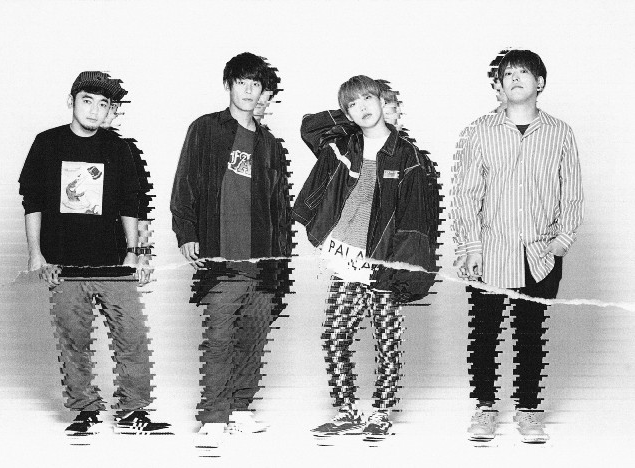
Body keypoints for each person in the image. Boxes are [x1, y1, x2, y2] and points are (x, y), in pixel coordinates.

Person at [18, 71, 169, 435]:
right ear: (72, 101)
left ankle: (132, 413)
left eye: (104, 104)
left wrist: (139, 252)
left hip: (113, 262)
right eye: (87, 101)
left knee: (132, 336)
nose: (95, 110)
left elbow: (134, 203)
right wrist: (35, 253)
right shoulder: (47, 143)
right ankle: (85, 411)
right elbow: (32, 201)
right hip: (63, 262)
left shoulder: (119, 148)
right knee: (74, 340)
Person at [294, 75, 440, 437]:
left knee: (387, 340)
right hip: (346, 257)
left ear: (382, 101)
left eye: (368, 99)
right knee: (334, 337)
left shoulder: (407, 155)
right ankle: (346, 412)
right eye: (353, 104)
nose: (362, 107)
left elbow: (415, 217)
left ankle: (381, 413)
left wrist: (405, 268)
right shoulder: (344, 145)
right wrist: (351, 118)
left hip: (384, 261)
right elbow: (310, 128)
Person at [452, 49, 584, 443]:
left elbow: (572, 192)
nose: (514, 78)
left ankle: (529, 412)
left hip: (540, 254)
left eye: (524, 72)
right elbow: (466, 194)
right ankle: (485, 409)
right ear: (499, 83)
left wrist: (561, 243)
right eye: (508, 73)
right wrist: (471, 246)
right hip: (491, 250)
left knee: (531, 334)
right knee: (484, 334)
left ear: (539, 83)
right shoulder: (479, 131)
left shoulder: (560, 132)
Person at [170, 52, 293, 444]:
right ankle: (213, 416)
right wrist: (186, 232)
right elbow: (185, 181)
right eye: (242, 82)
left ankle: (240, 409)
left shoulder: (270, 144)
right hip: (221, 256)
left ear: (264, 92)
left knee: (253, 340)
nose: (249, 91)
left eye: (256, 84)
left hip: (263, 260)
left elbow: (280, 209)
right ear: (229, 85)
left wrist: (282, 265)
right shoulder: (206, 129)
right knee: (220, 339)